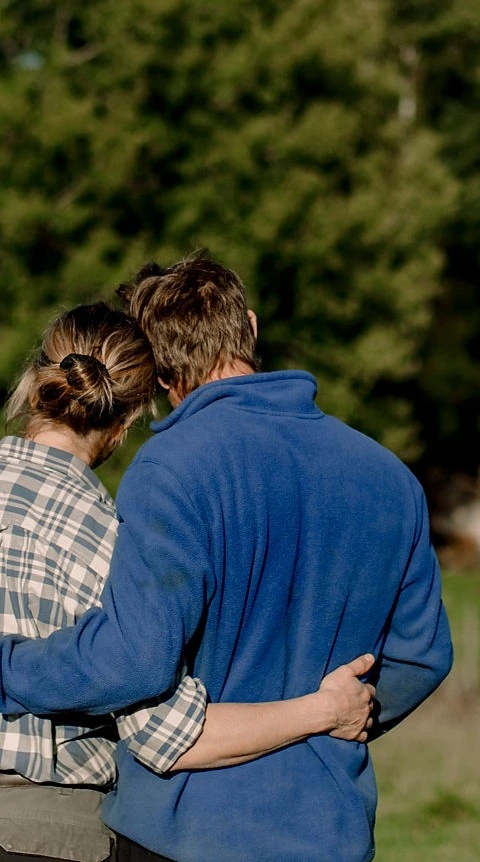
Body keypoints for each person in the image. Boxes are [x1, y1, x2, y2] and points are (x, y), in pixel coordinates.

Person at [0, 256, 454, 862]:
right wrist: (345, 715)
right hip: (329, 829)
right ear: (250, 326)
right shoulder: (391, 479)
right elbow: (422, 657)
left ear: (158, 376)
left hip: (183, 825)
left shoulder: (171, 469)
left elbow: (136, 659)